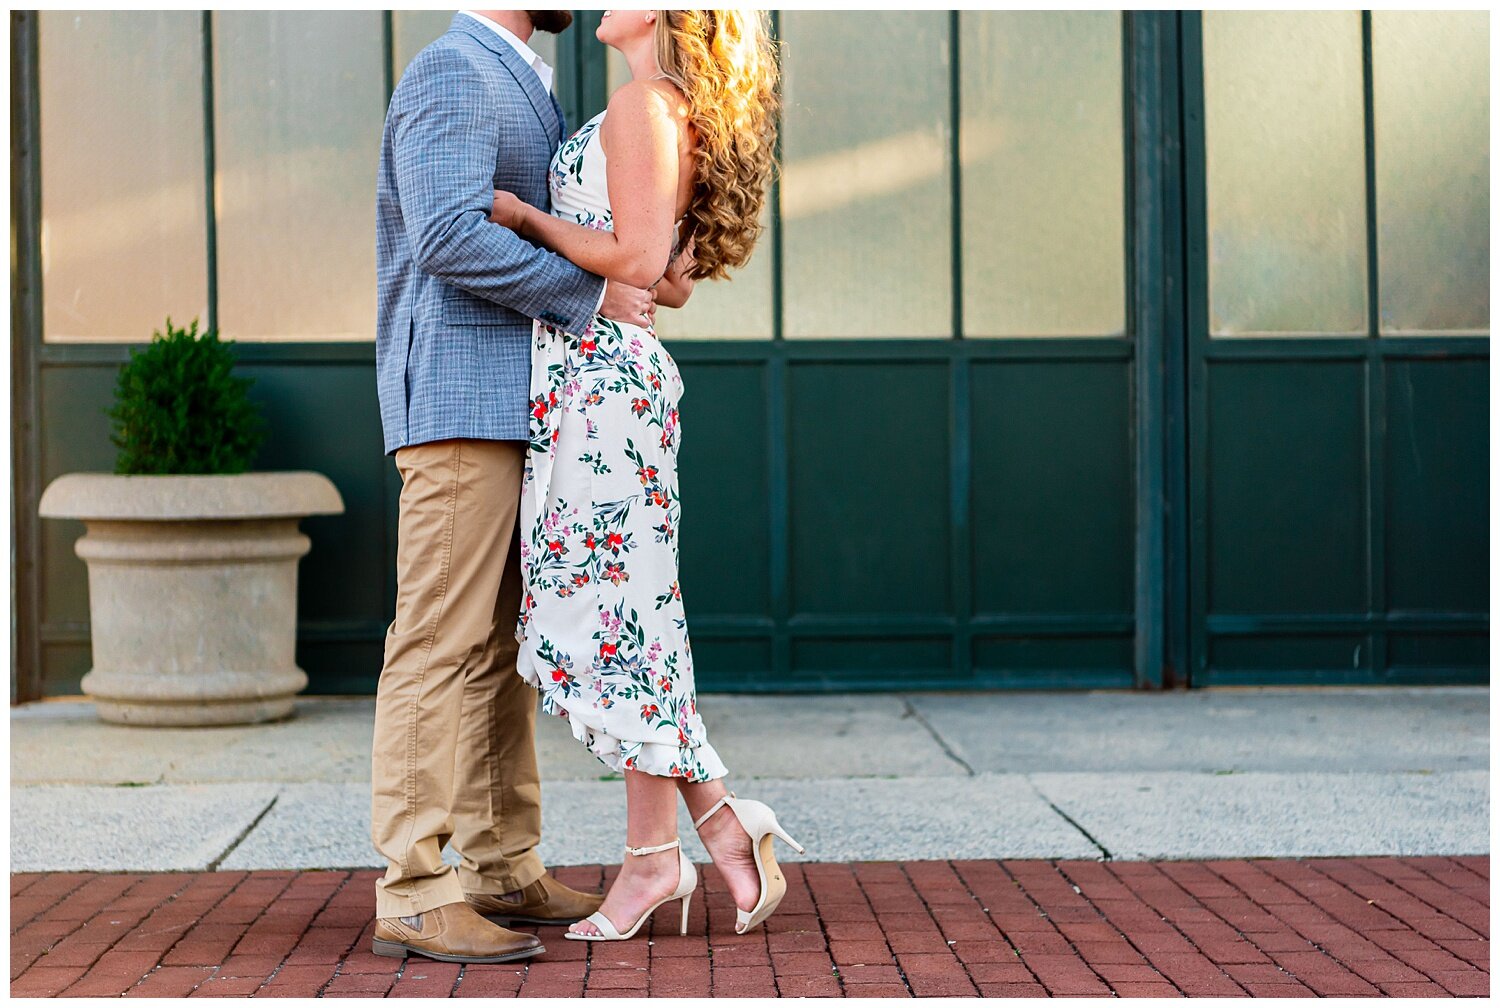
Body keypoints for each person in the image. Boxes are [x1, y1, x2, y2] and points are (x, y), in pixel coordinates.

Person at [488, 9, 803, 943]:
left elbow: (634, 263)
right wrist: (624, 262)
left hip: (602, 387)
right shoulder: (673, 110)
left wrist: (523, 216)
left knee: (616, 623)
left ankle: (660, 858)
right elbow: (670, 277)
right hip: (609, 383)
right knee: (629, 619)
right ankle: (705, 829)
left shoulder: (641, 105)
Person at [369, 9, 662, 965]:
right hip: (460, 404)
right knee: (439, 641)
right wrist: (591, 294)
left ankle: (502, 864)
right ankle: (415, 888)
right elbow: (450, 234)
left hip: (522, 406)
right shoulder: (455, 69)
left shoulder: (522, 74)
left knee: (499, 646)